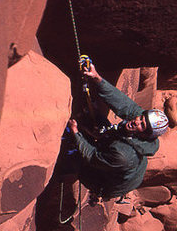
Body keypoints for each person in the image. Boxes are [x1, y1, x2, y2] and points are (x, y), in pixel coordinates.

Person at [66, 63, 169, 201]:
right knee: (97, 121)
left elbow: (91, 155)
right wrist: (97, 79)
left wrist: (75, 133)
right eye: (141, 117)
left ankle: (86, 182)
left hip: (107, 183)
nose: (137, 121)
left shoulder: (123, 155)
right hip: (125, 160)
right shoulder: (142, 123)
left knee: (73, 156)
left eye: (142, 125)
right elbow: (122, 102)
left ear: (145, 135)